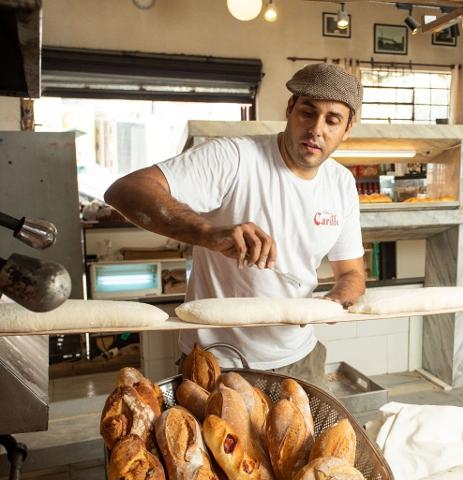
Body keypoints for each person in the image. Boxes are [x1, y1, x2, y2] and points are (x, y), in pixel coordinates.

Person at [104, 64, 367, 387]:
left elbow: (352, 274)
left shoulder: (340, 183)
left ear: (348, 127)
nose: (316, 129)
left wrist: (334, 302)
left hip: (300, 360)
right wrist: (207, 234)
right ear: (289, 109)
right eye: (307, 113)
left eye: (332, 120)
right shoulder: (235, 158)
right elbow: (124, 191)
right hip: (218, 362)